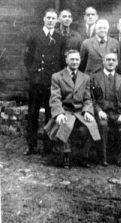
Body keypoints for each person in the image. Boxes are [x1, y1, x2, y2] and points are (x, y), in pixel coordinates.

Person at [44, 50, 101, 169]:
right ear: (66, 60)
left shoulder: (85, 77)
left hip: (80, 111)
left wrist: (88, 111)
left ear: (80, 61)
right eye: (72, 59)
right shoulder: (57, 76)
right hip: (65, 110)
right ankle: (65, 155)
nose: (74, 62)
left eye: (77, 59)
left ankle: (83, 156)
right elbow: (55, 98)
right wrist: (59, 113)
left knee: (90, 126)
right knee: (65, 125)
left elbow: (87, 98)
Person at [24, 8, 65, 155]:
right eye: (48, 17)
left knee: (50, 113)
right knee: (33, 113)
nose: (51, 20)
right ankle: (31, 144)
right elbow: (27, 58)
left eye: (53, 18)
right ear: (44, 18)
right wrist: (33, 73)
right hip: (36, 80)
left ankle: (48, 146)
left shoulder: (60, 38)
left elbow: (61, 60)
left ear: (56, 21)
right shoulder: (34, 36)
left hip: (52, 82)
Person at [91, 52, 121, 167]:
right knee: (103, 126)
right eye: (108, 59)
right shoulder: (94, 77)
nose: (110, 62)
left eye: (113, 60)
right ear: (103, 62)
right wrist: (99, 111)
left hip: (118, 112)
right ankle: (103, 158)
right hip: (102, 112)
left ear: (117, 63)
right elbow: (91, 99)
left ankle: (120, 158)